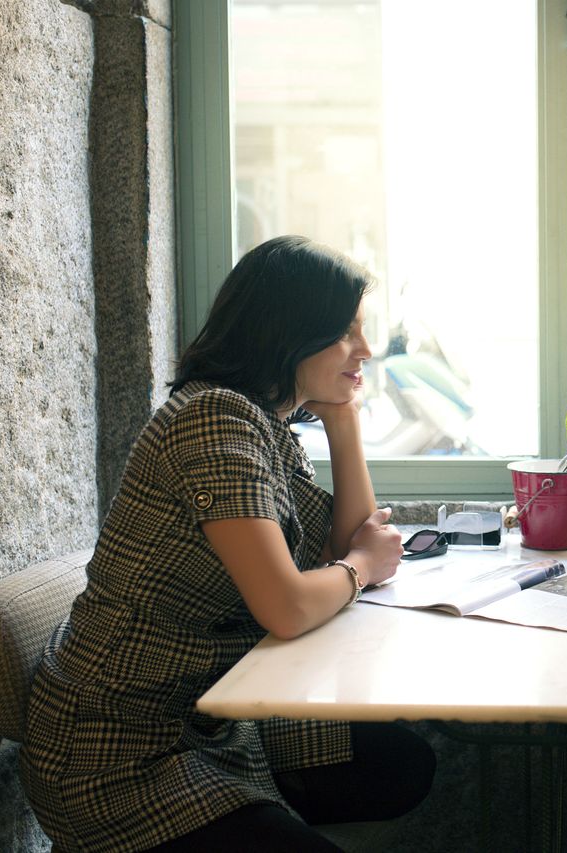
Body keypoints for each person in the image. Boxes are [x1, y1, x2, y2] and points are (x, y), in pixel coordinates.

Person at [22, 235, 435, 852]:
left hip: (211, 713)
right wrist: (360, 568)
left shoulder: (262, 422)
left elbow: (350, 542)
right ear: (289, 330)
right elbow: (292, 603)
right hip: (119, 745)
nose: (367, 351)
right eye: (346, 332)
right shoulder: (214, 417)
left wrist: (343, 420)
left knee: (398, 764)